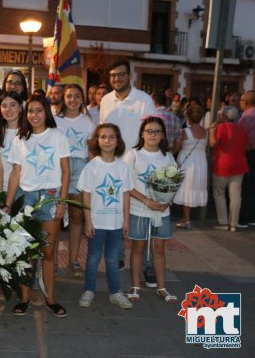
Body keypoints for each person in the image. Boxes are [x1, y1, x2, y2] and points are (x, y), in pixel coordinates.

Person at [4, 94, 70, 317]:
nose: (34, 115)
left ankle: (51, 299)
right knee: (24, 253)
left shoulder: (58, 136)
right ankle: (24, 299)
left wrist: (62, 202)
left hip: (51, 198)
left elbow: (66, 171)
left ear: (46, 112)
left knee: (48, 253)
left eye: (39, 110)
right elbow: (15, 174)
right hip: (26, 197)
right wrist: (8, 204)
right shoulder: (19, 139)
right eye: (30, 110)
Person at [100, 60, 156, 275]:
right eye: (113, 75)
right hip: (112, 166)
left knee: (143, 213)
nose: (117, 79)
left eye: (121, 74)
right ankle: (119, 257)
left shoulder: (143, 100)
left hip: (139, 166)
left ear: (129, 76)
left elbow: (152, 130)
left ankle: (147, 262)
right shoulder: (106, 100)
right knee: (116, 212)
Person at [78, 123, 133, 309]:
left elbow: (126, 194)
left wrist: (127, 219)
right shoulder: (91, 167)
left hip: (116, 223)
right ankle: (89, 290)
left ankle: (115, 292)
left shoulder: (123, 168)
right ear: (97, 141)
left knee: (112, 259)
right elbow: (86, 195)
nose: (107, 140)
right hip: (97, 222)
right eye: (103, 137)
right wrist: (88, 220)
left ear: (118, 141)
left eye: (112, 137)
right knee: (93, 258)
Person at [123, 116, 178, 304]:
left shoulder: (168, 157)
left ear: (163, 135)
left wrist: (167, 200)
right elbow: (127, 185)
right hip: (139, 209)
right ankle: (135, 285)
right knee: (138, 247)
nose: (153, 135)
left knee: (159, 248)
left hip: (161, 211)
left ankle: (162, 287)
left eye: (157, 131)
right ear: (142, 134)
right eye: (149, 131)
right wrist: (147, 201)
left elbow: (173, 182)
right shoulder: (134, 155)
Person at [56, 84, 95, 278]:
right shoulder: (55, 121)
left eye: (77, 96)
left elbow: (91, 151)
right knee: (54, 216)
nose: (72, 100)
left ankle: (73, 260)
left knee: (77, 215)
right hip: (59, 167)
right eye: (69, 96)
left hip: (81, 168)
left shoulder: (88, 122)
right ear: (64, 98)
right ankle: (52, 260)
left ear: (82, 99)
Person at [210, 106, 249, 232]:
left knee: (219, 192)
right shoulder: (241, 129)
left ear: (224, 116)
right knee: (236, 195)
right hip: (239, 164)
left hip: (223, 164)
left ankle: (223, 222)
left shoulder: (222, 127)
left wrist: (212, 130)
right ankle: (233, 223)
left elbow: (213, 143)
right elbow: (247, 146)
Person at [173, 105, 208, 229]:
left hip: (188, 162)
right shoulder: (205, 131)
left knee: (186, 188)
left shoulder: (185, 131)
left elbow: (177, 147)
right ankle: (186, 217)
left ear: (188, 117)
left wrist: (175, 148)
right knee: (193, 188)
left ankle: (187, 220)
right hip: (201, 162)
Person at [0, 92, 24, 192]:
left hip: (25, 190)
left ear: (20, 108)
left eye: (12, 105)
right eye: (4, 106)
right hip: (5, 189)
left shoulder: (29, 133)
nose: (8, 109)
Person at [238, 91, 255, 227]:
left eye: (241, 100)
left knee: (247, 187)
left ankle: (245, 218)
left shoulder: (246, 118)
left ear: (246, 102)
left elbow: (241, 139)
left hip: (249, 154)